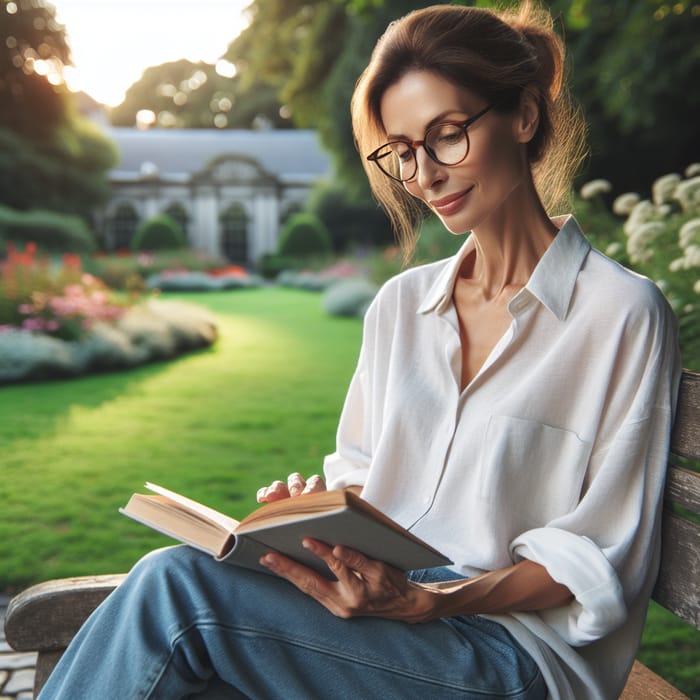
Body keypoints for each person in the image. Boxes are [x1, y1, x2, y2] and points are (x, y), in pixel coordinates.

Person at [39, 3, 680, 699]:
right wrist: (312, 518)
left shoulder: (620, 314)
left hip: (517, 655)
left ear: (523, 116)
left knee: (176, 593)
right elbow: (365, 476)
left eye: (447, 136)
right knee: (181, 601)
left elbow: (599, 554)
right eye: (404, 150)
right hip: (391, 619)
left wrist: (439, 600)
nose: (425, 174)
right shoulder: (400, 308)